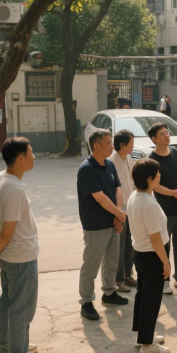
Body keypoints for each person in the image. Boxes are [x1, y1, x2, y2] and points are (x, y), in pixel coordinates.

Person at [0, 137, 45, 353]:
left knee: (8, 302)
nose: (34, 156)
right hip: (20, 257)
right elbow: (7, 230)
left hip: (9, 256)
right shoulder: (14, 188)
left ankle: (8, 347)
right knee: (22, 309)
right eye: (30, 153)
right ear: (20, 158)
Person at [77, 128, 129, 321]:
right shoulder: (87, 170)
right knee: (91, 265)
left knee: (111, 262)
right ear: (96, 146)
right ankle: (87, 302)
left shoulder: (109, 164)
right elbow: (99, 198)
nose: (112, 147)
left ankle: (109, 292)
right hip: (95, 225)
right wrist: (120, 214)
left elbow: (118, 189)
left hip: (112, 222)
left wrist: (118, 214)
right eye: (108, 143)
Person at [127, 159, 172, 353]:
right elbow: (155, 239)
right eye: (157, 173)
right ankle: (147, 345)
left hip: (141, 253)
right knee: (151, 299)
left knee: (143, 296)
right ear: (149, 178)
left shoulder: (136, 196)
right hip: (152, 255)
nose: (160, 176)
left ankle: (143, 335)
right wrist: (166, 262)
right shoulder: (147, 203)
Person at [149, 122, 177, 293]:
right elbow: (155, 186)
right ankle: (164, 279)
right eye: (162, 134)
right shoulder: (152, 160)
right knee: (164, 246)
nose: (166, 136)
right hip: (164, 210)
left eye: (167, 133)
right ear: (154, 139)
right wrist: (175, 194)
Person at [109, 129, 138, 293]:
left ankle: (128, 274)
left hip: (130, 207)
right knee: (119, 247)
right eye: (131, 143)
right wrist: (117, 212)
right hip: (119, 210)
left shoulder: (128, 158)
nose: (133, 146)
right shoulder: (111, 162)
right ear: (122, 144)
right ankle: (118, 279)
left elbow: (132, 180)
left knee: (129, 245)